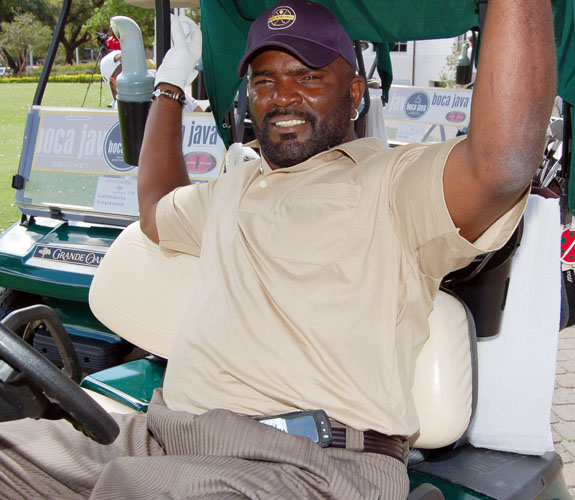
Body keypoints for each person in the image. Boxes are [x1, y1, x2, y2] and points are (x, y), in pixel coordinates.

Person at [0, 1, 556, 498]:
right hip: (161, 439)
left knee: (136, 490)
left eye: (308, 75)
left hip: (310, 466)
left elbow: (499, 165)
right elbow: (155, 208)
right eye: (264, 81)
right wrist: (170, 84)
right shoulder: (233, 188)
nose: (282, 96)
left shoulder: (393, 184)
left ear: (355, 91)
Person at [100, 46, 203, 112]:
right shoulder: (120, 112)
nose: (136, 70)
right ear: (114, 82)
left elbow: (197, 111)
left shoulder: (160, 81)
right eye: (127, 69)